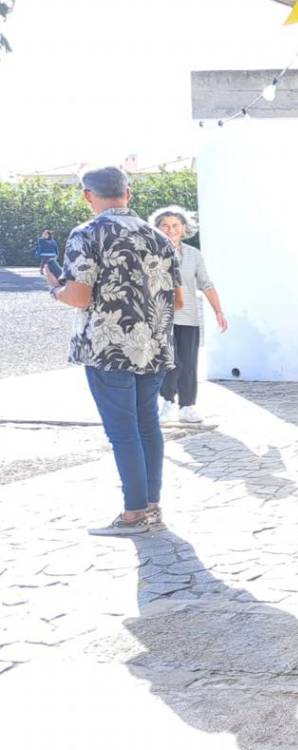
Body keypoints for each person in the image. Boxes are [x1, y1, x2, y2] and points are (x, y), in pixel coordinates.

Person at [44, 167, 182, 536]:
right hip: (152, 346)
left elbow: (79, 296)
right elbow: (178, 300)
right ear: (128, 193)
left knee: (123, 432)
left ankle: (134, 513)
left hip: (108, 349)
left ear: (88, 195)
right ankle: (151, 506)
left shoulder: (87, 234)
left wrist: (54, 287)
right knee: (148, 426)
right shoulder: (160, 238)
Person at [149, 206, 226, 423]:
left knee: (189, 364)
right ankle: (167, 402)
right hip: (162, 319)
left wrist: (218, 311)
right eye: (165, 225)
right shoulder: (151, 253)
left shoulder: (194, 254)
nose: (171, 229)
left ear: (184, 228)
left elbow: (206, 284)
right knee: (172, 363)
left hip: (189, 318)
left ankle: (188, 406)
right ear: (157, 229)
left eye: (175, 225)